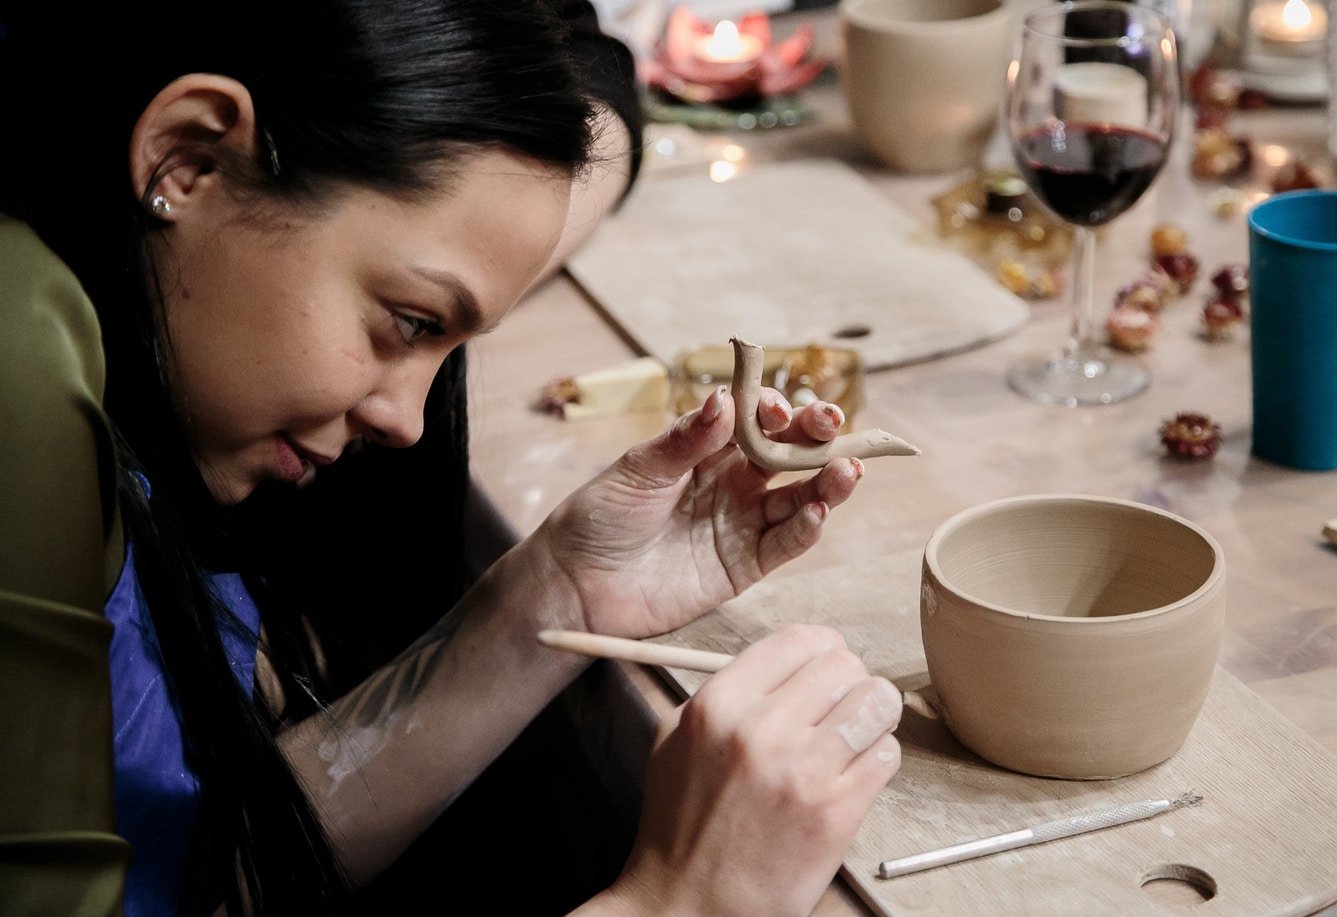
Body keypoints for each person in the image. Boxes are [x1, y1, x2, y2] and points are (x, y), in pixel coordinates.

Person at [0, 2, 904, 915]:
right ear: (189, 158)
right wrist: (684, 898)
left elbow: (191, 874)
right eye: (409, 321)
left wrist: (558, 593)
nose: (407, 421)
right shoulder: (15, 368)